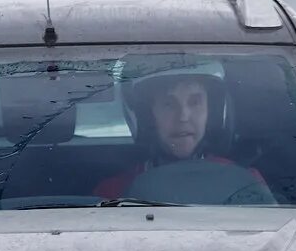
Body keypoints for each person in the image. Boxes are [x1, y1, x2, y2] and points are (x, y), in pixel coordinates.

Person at [94, 59, 265, 200]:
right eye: (169, 104)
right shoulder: (115, 195)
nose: (183, 117)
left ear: (212, 112)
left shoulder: (245, 184)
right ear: (147, 116)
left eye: (195, 102)